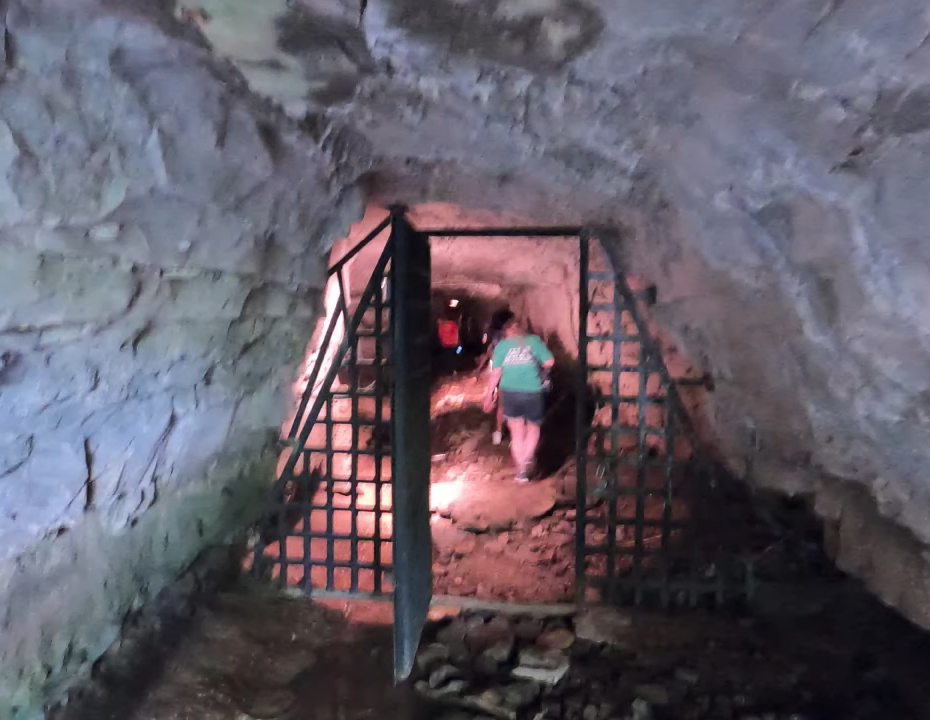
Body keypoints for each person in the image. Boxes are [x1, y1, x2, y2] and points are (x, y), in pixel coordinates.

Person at [483, 317, 554, 482]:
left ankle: (521, 472)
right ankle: (528, 457)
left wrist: (489, 395)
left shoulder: (502, 346)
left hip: (510, 392)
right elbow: (550, 362)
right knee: (533, 428)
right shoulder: (534, 341)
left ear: (507, 332)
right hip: (533, 391)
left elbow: (496, 373)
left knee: (516, 433)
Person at [479, 309, 514, 445]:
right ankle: (514, 436)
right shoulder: (520, 338)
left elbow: (491, 352)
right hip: (519, 374)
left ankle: (498, 433)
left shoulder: (496, 336)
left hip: (503, 373)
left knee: (501, 404)